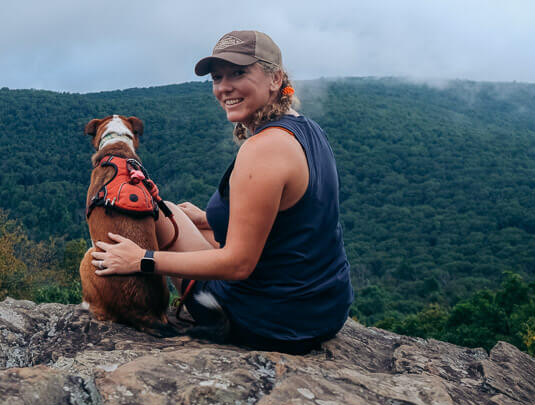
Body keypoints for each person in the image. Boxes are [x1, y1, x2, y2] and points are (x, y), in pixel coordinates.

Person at [91, 30, 353, 354]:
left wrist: (141, 259)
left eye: (239, 73)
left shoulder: (263, 150)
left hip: (268, 321)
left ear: (276, 78)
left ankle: (139, 304)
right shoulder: (306, 129)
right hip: (324, 310)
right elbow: (293, 222)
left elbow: (239, 265)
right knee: (171, 210)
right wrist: (207, 218)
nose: (224, 87)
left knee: (156, 214)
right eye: (217, 77)